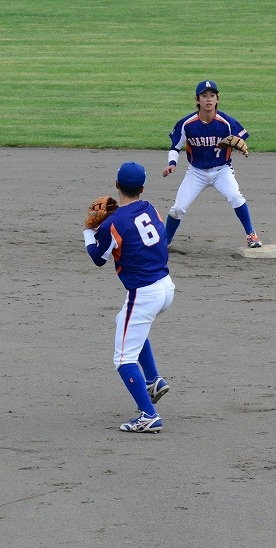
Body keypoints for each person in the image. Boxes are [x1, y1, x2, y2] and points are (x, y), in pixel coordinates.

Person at [83, 162, 175, 433]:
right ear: (142, 189)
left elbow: (98, 259)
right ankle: (153, 380)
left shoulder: (111, 224)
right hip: (166, 287)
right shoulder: (151, 209)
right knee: (126, 323)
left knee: (123, 360)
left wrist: (89, 232)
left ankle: (149, 416)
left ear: (116, 185)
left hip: (144, 295)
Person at [162, 80, 263, 248]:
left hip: (222, 170)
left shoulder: (227, 122)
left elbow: (240, 141)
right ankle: (165, 241)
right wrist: (172, 163)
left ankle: (251, 234)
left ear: (217, 99)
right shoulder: (187, 124)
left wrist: (239, 147)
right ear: (197, 100)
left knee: (236, 197)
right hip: (196, 172)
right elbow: (175, 147)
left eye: (212, 95)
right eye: (204, 96)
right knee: (177, 209)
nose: (208, 99)